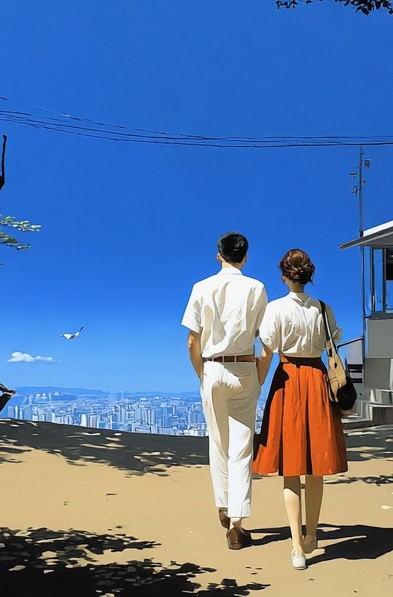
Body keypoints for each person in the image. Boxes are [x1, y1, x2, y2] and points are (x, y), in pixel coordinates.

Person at [253, 249, 348, 570]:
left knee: (291, 466)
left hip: (289, 380)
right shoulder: (323, 309)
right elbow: (334, 341)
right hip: (317, 379)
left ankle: (296, 546)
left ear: (284, 276)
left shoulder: (275, 309)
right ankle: (312, 534)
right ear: (309, 276)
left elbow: (267, 349)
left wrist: (258, 382)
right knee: (315, 464)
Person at [181, 231, 267, 551]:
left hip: (213, 368)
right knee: (242, 448)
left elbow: (192, 340)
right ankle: (236, 524)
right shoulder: (257, 288)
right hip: (245, 367)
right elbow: (266, 340)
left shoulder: (201, 287)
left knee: (218, 442)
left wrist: (203, 374)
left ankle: (223, 504)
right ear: (245, 257)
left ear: (219, 255)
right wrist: (260, 375)